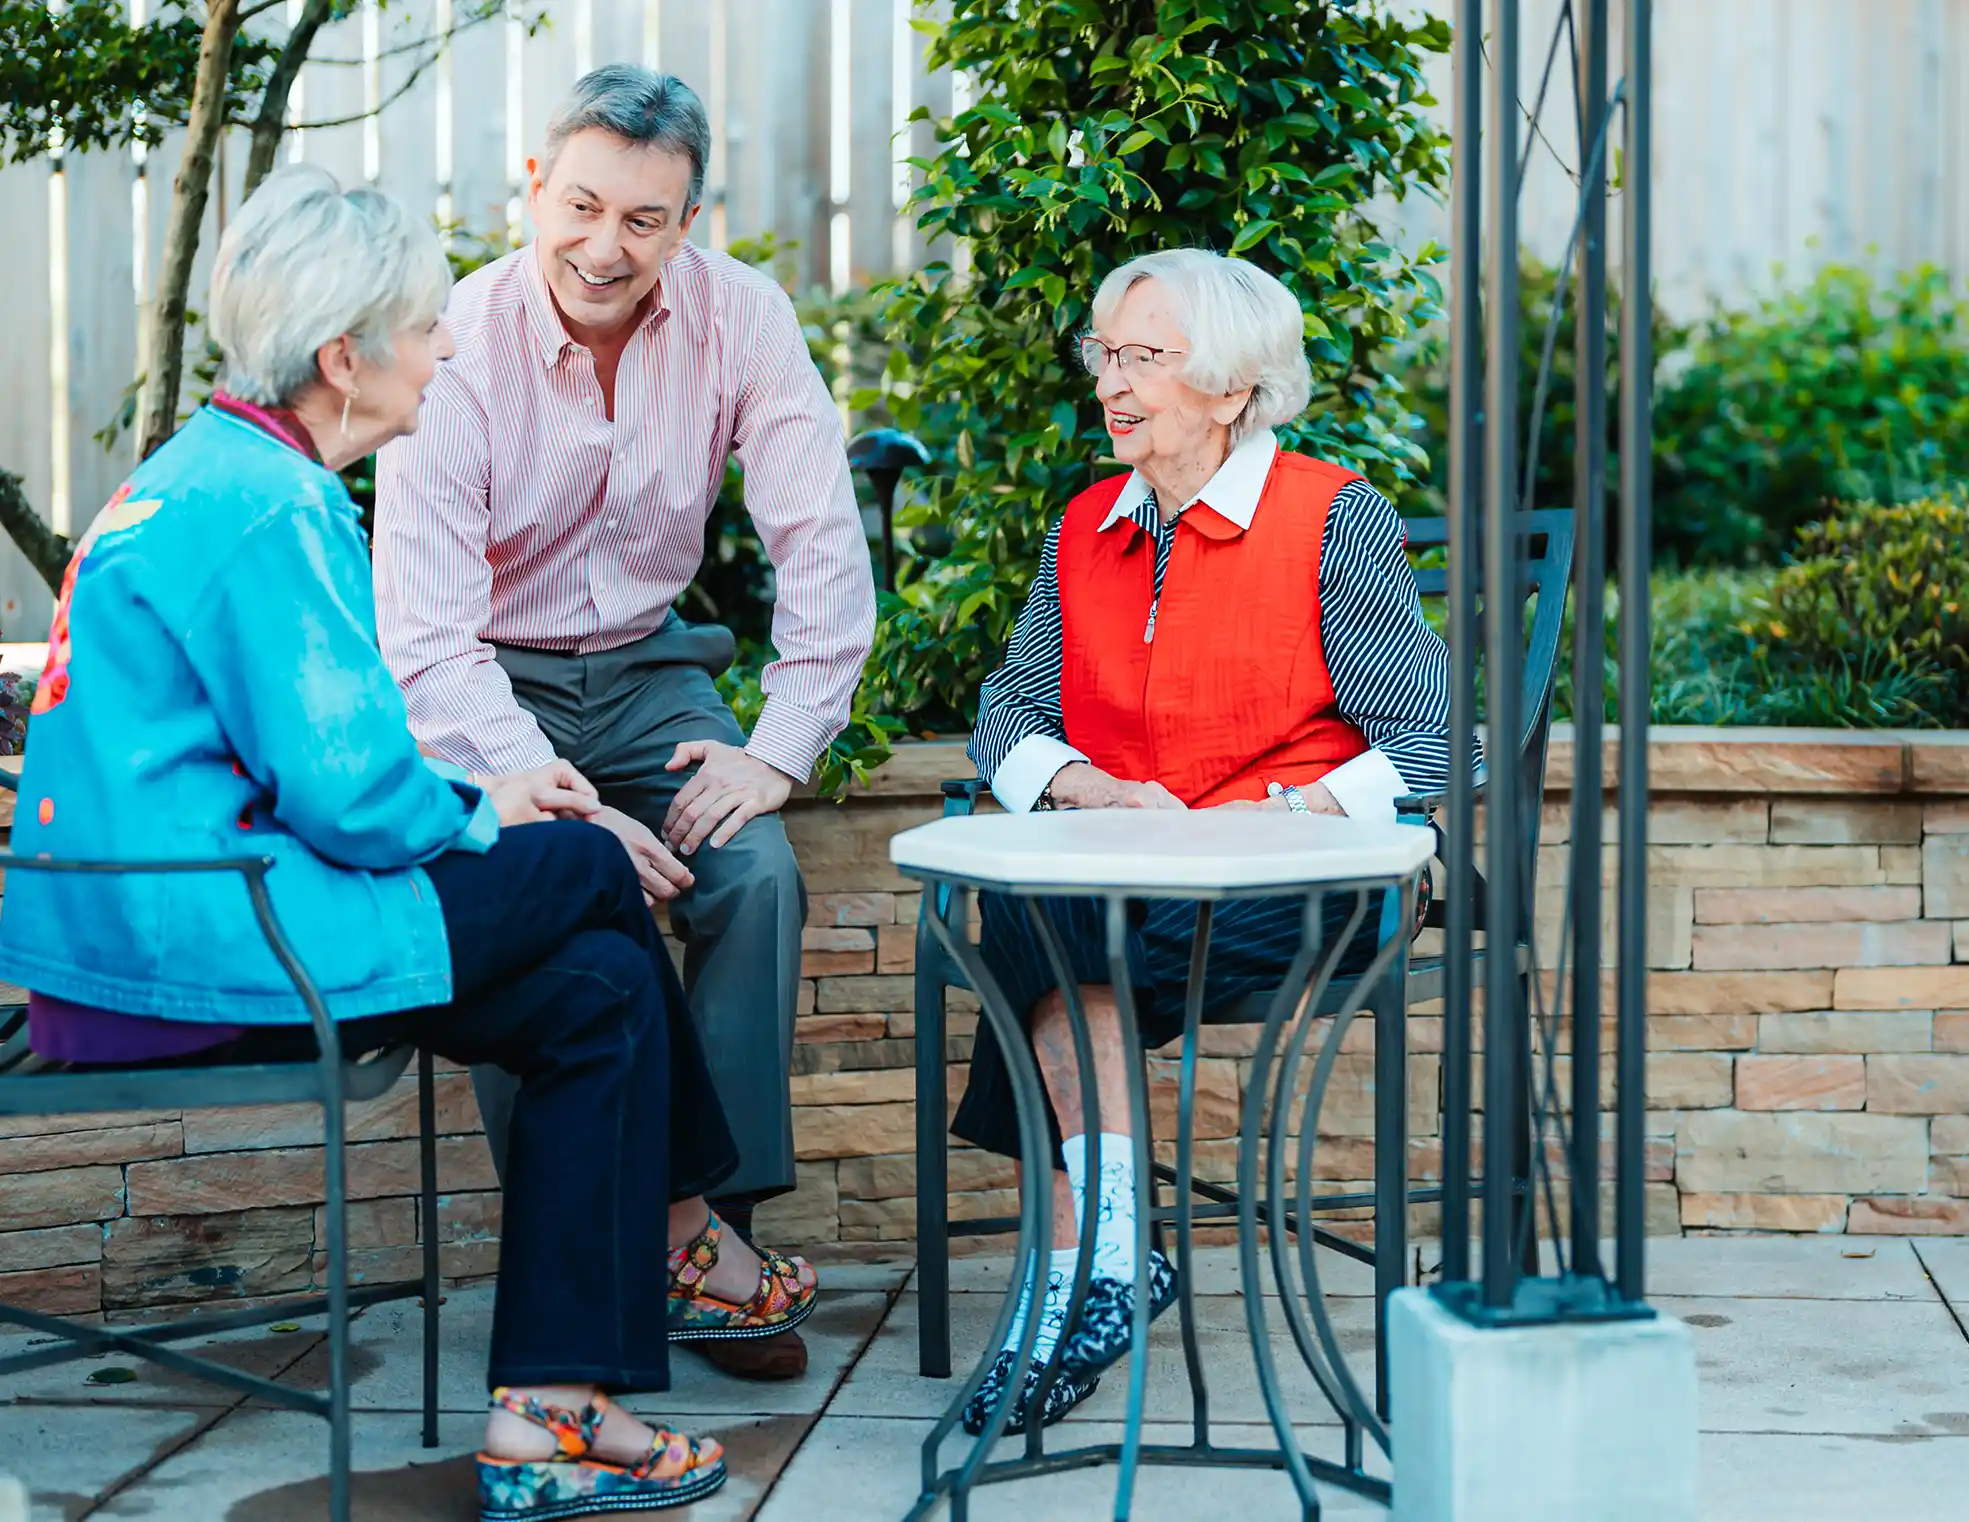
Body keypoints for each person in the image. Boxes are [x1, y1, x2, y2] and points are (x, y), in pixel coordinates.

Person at [0, 166, 815, 1522]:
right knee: (593, 866)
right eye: (425, 330)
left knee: (599, 993)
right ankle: (684, 1235)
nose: (448, 351)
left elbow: (318, 762)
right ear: (345, 358)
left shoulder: (203, 473)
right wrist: (501, 804)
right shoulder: (273, 507)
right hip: (209, 945)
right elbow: (354, 797)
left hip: (160, 928)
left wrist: (482, 799)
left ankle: (549, 1407)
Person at [373, 65, 875, 1381]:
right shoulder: (457, 339)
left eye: (644, 220)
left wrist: (780, 746)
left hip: (653, 669)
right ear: (535, 187)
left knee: (752, 875)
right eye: (583, 205)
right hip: (486, 682)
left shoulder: (743, 322)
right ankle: (593, 1240)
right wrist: (552, 791)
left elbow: (820, 537)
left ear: (688, 221)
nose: (605, 247)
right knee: (527, 892)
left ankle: (713, 1241)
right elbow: (423, 629)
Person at [952, 248, 1462, 1434]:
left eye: (1144, 358)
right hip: (1130, 882)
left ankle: (1078, 1272)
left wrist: (1269, 819)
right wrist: (1088, 790)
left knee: (1043, 927)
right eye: (1105, 355)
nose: (1111, 384)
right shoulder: (1089, 525)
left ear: (1232, 390)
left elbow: (1438, 742)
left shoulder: (1332, 519)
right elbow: (1008, 711)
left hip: (1304, 883)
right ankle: (1114, 1259)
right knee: (1038, 906)